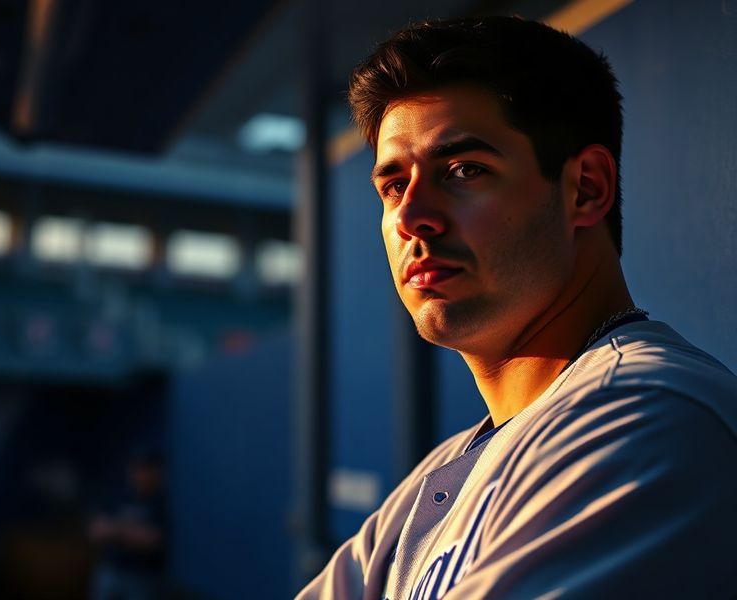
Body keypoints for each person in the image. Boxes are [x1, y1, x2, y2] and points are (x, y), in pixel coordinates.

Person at [296, 16, 737, 599]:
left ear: (586, 189)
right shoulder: (443, 474)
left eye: (464, 170)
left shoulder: (642, 416)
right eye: (395, 185)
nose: (410, 217)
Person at [88, 448, 168, 600]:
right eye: (136, 467)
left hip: (142, 577)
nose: (139, 474)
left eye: (145, 469)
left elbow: (152, 540)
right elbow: (95, 531)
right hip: (110, 571)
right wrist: (129, 531)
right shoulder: (117, 495)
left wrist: (114, 529)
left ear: (155, 472)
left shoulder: (159, 501)